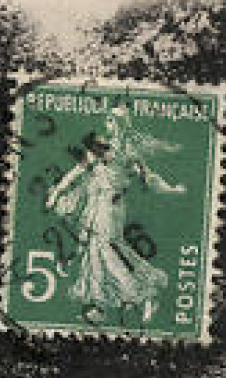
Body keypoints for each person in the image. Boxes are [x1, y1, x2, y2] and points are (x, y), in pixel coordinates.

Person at [44, 103, 184, 326]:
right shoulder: (100, 146)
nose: (110, 124)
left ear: (123, 124)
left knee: (108, 248)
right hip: (95, 204)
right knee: (95, 250)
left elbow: (149, 178)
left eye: (115, 121)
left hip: (111, 205)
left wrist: (171, 189)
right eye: (109, 120)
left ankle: (145, 295)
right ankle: (98, 307)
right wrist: (57, 192)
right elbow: (77, 172)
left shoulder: (129, 151)